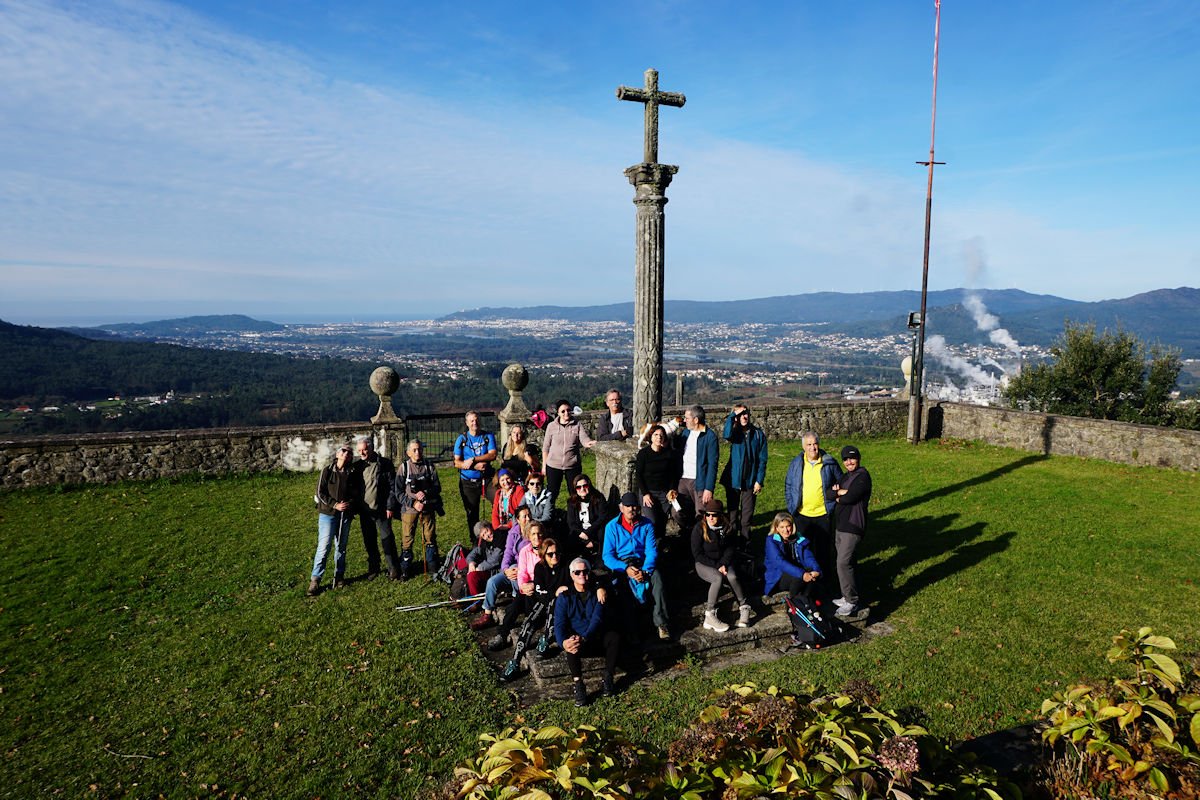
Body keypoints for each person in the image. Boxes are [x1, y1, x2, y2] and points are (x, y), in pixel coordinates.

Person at [602, 492, 670, 640]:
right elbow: (607, 556)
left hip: (642, 562)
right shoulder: (611, 527)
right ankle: (631, 630)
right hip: (622, 563)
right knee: (621, 588)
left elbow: (651, 551)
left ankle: (661, 624)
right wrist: (625, 568)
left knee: (658, 579)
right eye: (627, 506)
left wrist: (645, 570)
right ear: (621, 508)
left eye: (634, 506)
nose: (631, 509)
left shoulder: (647, 524)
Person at [555, 557, 620, 705]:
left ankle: (608, 678)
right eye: (577, 572)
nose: (582, 575)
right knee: (571, 644)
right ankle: (578, 684)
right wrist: (563, 643)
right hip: (579, 640)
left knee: (614, 637)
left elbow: (597, 619)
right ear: (571, 575)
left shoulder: (598, 592)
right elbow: (559, 624)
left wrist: (585, 637)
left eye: (585, 571)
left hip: (595, 637)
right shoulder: (565, 597)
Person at [783, 431, 843, 580]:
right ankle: (806, 581)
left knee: (823, 551)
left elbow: (841, 480)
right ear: (803, 447)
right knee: (803, 550)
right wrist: (791, 506)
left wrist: (835, 495)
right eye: (809, 444)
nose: (812, 448)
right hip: (802, 515)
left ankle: (824, 581)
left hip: (823, 514)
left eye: (815, 444)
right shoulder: (796, 463)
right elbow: (788, 484)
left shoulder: (829, 462)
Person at [691, 499, 754, 632]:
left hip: (723, 562)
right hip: (704, 563)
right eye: (708, 514)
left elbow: (730, 549)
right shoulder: (699, 528)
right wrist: (717, 566)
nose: (710, 518)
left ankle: (744, 607)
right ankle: (709, 615)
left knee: (732, 576)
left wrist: (723, 564)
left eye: (714, 515)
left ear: (720, 516)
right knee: (717, 578)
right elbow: (697, 554)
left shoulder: (727, 528)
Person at [828, 445, 872, 619]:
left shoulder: (863, 476)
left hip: (853, 526)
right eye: (845, 459)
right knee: (848, 562)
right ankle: (846, 595)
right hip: (841, 525)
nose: (849, 462)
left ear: (858, 459)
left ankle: (851, 600)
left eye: (852, 458)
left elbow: (851, 497)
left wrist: (840, 494)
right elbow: (828, 493)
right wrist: (840, 493)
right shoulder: (846, 476)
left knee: (843, 562)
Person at [308, 444, 359, 595]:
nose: (346, 453)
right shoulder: (327, 470)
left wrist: (348, 504)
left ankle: (339, 576)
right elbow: (320, 492)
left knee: (341, 547)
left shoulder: (352, 473)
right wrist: (335, 504)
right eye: (343, 450)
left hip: (345, 515)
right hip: (327, 514)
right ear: (337, 454)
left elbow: (356, 492)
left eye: (349, 452)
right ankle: (315, 579)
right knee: (324, 547)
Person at [389, 439, 444, 579]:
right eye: (414, 450)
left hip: (427, 508)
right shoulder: (404, 468)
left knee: (430, 537)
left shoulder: (429, 466)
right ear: (408, 453)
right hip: (409, 510)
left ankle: (432, 566)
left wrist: (426, 493)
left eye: (419, 449)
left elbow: (437, 487)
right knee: (407, 538)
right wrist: (413, 503)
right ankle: (406, 568)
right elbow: (398, 492)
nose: (417, 452)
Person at [470, 507, 532, 630]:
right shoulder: (513, 533)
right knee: (492, 582)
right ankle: (487, 615)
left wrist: (518, 568)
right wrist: (505, 569)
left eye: (529, 515)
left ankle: (517, 602)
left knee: (514, 571)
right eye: (524, 516)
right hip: (511, 569)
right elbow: (507, 554)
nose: (528, 519)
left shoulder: (533, 531)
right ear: (518, 519)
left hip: (525, 569)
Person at [352, 436, 400, 580]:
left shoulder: (384, 464)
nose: (362, 453)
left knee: (387, 539)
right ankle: (374, 567)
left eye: (364, 450)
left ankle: (393, 567)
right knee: (369, 540)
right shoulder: (357, 466)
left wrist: (390, 506)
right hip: (365, 511)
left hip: (382, 509)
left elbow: (392, 487)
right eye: (359, 450)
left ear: (372, 448)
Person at [720, 404, 768, 538]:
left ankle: (745, 543)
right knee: (732, 516)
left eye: (745, 413)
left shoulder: (758, 434)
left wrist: (759, 480)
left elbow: (762, 460)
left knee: (746, 518)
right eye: (740, 415)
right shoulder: (734, 433)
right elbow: (726, 434)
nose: (744, 417)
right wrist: (732, 415)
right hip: (733, 479)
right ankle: (731, 542)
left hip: (750, 480)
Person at [541, 399, 595, 507]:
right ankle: (549, 514)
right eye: (563, 411)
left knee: (575, 492)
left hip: (572, 465)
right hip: (553, 465)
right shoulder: (551, 426)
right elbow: (546, 447)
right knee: (551, 493)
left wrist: (588, 443)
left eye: (568, 410)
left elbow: (584, 438)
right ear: (558, 413)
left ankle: (575, 513)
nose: (566, 413)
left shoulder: (577, 425)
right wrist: (544, 466)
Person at [454, 411, 497, 543]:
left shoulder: (488, 436)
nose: (475, 423)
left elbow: (492, 455)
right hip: (468, 482)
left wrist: (473, 459)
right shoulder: (461, 439)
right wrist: (474, 466)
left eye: (476, 420)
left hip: (487, 479)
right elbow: (457, 463)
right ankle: (476, 541)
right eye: (471, 421)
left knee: (498, 502)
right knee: (472, 513)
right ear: (467, 423)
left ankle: (497, 533)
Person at [761, 512, 821, 603]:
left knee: (811, 572)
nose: (786, 530)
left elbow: (808, 557)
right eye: (782, 527)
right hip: (778, 577)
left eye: (788, 526)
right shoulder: (771, 541)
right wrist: (802, 574)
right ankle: (795, 601)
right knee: (799, 577)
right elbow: (780, 562)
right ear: (776, 528)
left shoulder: (799, 538)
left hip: (797, 572)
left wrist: (816, 570)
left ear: (792, 526)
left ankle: (806, 601)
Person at [634, 424, 681, 539]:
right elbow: (638, 475)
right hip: (648, 492)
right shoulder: (643, 454)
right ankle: (648, 544)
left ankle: (659, 545)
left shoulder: (669, 454)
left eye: (661, 435)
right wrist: (645, 494)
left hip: (664, 493)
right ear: (650, 437)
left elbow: (673, 474)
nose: (659, 437)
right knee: (652, 521)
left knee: (662, 522)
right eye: (656, 435)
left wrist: (672, 489)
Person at [677, 405, 719, 528]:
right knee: (678, 512)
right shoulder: (685, 433)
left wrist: (709, 488)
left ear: (696, 420)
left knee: (701, 514)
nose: (684, 420)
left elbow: (712, 464)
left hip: (699, 482)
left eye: (687, 418)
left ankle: (701, 537)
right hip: (682, 480)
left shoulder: (710, 437)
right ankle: (687, 535)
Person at [565, 473, 607, 563]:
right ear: (575, 489)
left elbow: (602, 518)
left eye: (585, 486)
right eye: (578, 487)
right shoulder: (571, 502)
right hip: (580, 533)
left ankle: (601, 561)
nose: (582, 489)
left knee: (602, 532)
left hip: (594, 531)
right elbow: (571, 523)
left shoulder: (598, 498)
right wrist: (583, 536)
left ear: (589, 485)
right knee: (571, 537)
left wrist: (588, 533)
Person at [465, 520, 504, 597]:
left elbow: (496, 559)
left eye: (486, 531)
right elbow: (473, 553)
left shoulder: (500, 538)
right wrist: (471, 563)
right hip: (489, 571)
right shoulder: (485, 543)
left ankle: (477, 599)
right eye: (483, 535)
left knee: (472, 576)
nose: (487, 536)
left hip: (499, 572)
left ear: (490, 527)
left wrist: (479, 568)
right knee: (466, 568)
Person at [490, 468, 526, 538]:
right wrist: (497, 528)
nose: (506, 482)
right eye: (502, 480)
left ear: (511, 478)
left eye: (507, 478)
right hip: (503, 523)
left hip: (517, 523)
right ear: (499, 482)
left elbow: (521, 512)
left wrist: (508, 526)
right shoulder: (498, 493)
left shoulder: (519, 490)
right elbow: (495, 513)